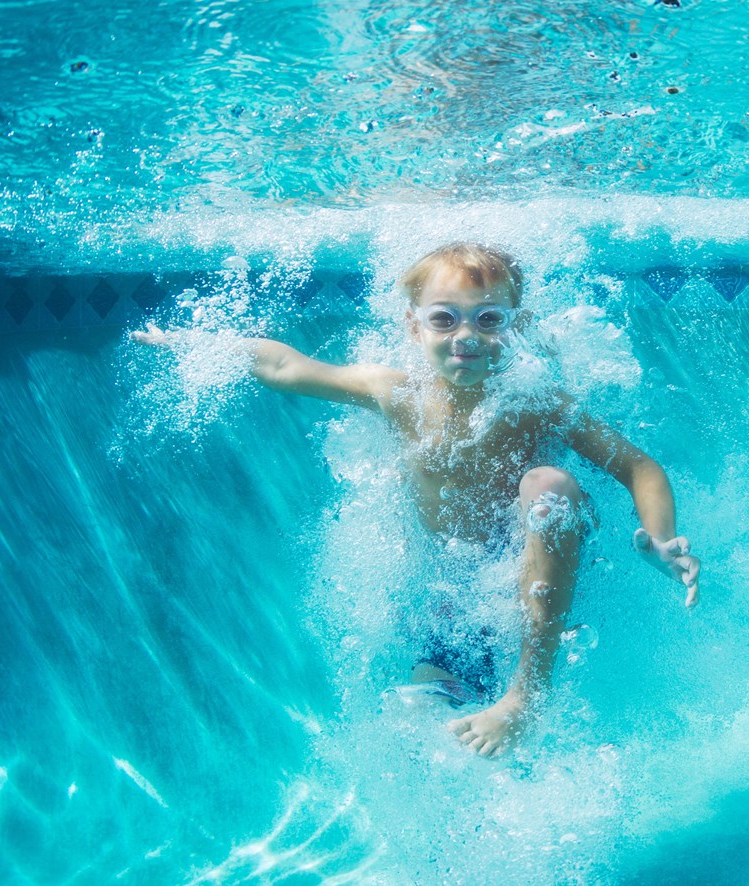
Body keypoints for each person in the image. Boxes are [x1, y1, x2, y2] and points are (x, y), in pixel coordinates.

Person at [132, 243, 700, 758]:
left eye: (489, 318)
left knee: (546, 485)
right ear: (414, 325)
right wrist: (202, 345)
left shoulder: (535, 401)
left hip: (542, 561)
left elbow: (639, 466)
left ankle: (527, 697)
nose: (467, 334)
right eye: (444, 318)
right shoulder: (395, 392)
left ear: (516, 326)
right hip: (459, 589)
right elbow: (287, 366)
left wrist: (660, 539)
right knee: (424, 725)